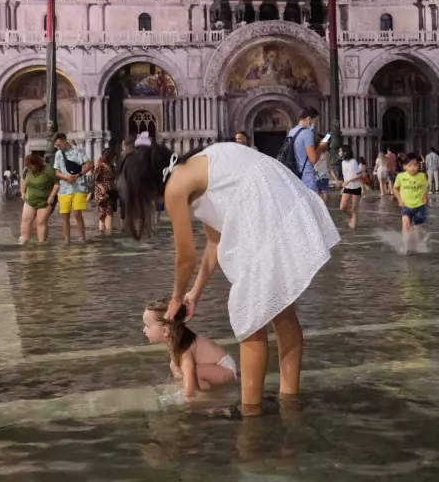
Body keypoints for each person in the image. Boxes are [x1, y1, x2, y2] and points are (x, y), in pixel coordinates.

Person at [119, 139, 338, 417]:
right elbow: (214, 242)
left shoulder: (175, 186)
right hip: (277, 196)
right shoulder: (196, 165)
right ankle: (288, 397)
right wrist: (194, 293)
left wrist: (176, 297)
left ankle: (250, 409)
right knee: (281, 313)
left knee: (249, 319)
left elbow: (185, 258)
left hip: (262, 206)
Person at [142, 297, 237, 398]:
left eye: (147, 326)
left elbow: (189, 372)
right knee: (175, 366)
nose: (144, 330)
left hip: (226, 369)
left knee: (190, 374)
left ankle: (202, 397)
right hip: (214, 368)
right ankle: (199, 390)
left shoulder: (184, 348)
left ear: (165, 331)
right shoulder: (176, 340)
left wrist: (187, 398)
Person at [53, 133, 94, 244]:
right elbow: (56, 171)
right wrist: (65, 177)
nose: (58, 147)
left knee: (77, 213)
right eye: (56, 145)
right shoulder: (58, 154)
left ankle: (82, 238)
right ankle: (67, 242)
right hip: (64, 189)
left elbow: (90, 165)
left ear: (65, 142)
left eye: (59, 145)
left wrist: (78, 175)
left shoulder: (78, 150)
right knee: (65, 215)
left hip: (79, 187)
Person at [287, 107, 329, 194]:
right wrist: (321, 146)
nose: (315, 124)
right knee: (310, 201)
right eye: (315, 121)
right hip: (306, 176)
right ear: (309, 118)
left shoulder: (292, 131)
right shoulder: (307, 133)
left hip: (294, 174)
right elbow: (313, 160)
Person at [20, 151, 58, 244]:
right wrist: (22, 192)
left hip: (45, 200)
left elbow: (56, 184)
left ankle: (42, 244)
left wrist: (52, 196)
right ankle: (23, 240)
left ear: (37, 164)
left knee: (40, 222)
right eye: (28, 166)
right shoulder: (27, 169)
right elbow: (23, 179)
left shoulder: (49, 170)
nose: (29, 168)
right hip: (30, 199)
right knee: (26, 219)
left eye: (31, 166)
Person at [393, 153, 428, 246]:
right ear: (404, 166)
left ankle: (419, 244)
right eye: (410, 165)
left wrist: (425, 196)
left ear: (419, 165)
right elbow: (395, 189)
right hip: (406, 205)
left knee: (418, 228)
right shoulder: (400, 176)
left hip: (419, 205)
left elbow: (425, 187)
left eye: (415, 165)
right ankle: (405, 243)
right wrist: (400, 200)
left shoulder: (422, 176)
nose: (413, 168)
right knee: (405, 221)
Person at [338, 145, 365, 229]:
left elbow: (359, 175)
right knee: (342, 207)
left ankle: (353, 224)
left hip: (356, 187)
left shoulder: (353, 162)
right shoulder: (343, 162)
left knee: (354, 208)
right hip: (347, 187)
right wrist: (344, 186)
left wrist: (348, 181)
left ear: (345, 152)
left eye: (340, 151)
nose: (339, 153)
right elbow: (346, 176)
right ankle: (352, 216)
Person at [91, 148, 116, 232]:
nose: (114, 159)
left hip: (111, 191)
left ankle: (106, 232)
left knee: (109, 211)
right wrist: (102, 188)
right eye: (113, 157)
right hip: (102, 191)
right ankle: (107, 232)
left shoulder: (112, 166)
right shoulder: (100, 166)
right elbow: (95, 179)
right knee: (103, 212)